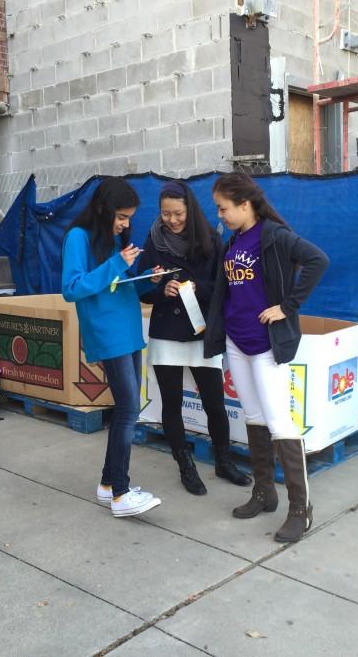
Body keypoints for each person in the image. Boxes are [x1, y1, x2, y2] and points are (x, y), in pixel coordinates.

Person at [204, 173, 329, 542]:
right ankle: (264, 491)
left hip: (265, 345)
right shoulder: (234, 240)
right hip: (236, 342)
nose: (220, 215)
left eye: (224, 208)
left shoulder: (272, 235)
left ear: (245, 205)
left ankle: (300, 509)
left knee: (280, 422)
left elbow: (317, 260)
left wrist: (287, 307)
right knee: (254, 417)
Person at [138, 180, 251, 495]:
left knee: (215, 402)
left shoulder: (211, 240)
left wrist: (198, 288)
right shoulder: (153, 241)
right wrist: (162, 290)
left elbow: (225, 288)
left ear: (190, 209)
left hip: (202, 331)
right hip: (167, 334)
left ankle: (224, 461)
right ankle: (185, 466)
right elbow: (142, 288)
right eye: (166, 214)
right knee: (171, 403)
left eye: (178, 214)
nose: (172, 220)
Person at [62, 177, 165, 518]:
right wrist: (117, 264)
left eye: (129, 218)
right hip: (107, 332)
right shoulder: (79, 238)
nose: (126, 223)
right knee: (127, 410)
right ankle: (121, 493)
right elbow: (73, 288)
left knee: (127, 408)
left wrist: (146, 278)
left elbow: (117, 288)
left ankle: (108, 486)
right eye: (121, 216)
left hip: (128, 329)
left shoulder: (113, 240)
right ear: (104, 208)